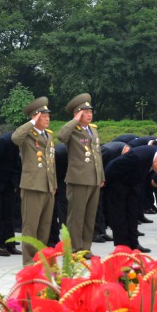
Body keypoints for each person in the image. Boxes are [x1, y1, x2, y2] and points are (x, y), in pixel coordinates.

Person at [56, 93, 104, 253]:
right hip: (78, 180)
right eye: (85, 112)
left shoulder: (93, 130)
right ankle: (74, 248)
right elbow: (61, 136)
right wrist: (74, 120)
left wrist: (101, 177)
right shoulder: (72, 130)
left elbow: (97, 155)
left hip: (94, 179)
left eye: (90, 111)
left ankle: (86, 248)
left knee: (90, 217)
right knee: (76, 217)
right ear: (77, 113)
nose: (89, 115)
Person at [12, 97, 57, 264]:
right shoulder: (27, 135)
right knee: (31, 227)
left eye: (48, 116)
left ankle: (41, 260)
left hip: (47, 186)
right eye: (44, 115)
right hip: (32, 186)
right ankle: (29, 262)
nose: (47, 118)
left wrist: (54, 184)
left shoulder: (49, 135)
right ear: (35, 116)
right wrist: (31, 122)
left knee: (45, 227)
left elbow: (51, 162)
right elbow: (15, 138)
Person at [104, 145, 157, 251]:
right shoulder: (137, 156)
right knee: (119, 216)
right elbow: (112, 165)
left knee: (132, 215)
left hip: (133, 184)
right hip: (118, 185)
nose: (156, 174)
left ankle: (134, 243)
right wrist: (105, 182)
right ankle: (122, 246)